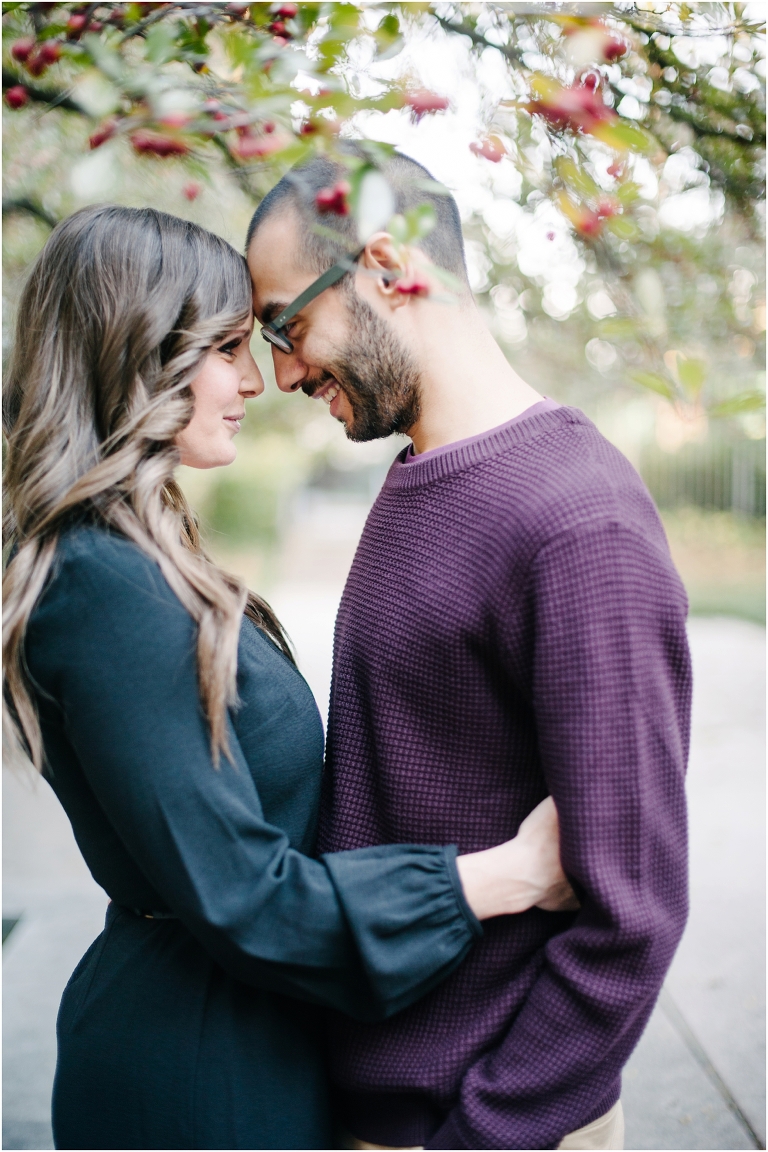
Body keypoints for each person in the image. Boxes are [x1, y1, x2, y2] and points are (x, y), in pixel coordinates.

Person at [1, 205, 576, 1152]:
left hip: (247, 1038)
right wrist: (510, 876)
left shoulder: (137, 557)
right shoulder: (101, 586)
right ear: (144, 354)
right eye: (228, 348)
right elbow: (247, 900)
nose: (255, 381)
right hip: (197, 1078)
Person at [247, 149, 693, 1151]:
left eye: (288, 325)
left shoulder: (580, 522)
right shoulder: (417, 476)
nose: (280, 372)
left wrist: (483, 1135)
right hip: (369, 1105)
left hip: (474, 1124)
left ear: (389, 265)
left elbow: (633, 918)